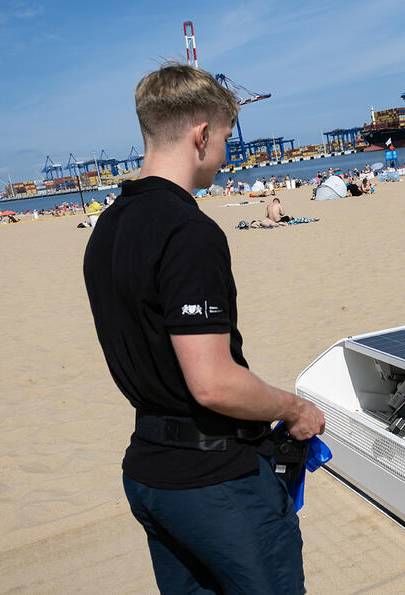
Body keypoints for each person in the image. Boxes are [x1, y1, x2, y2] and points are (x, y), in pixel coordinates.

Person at [82, 63, 324, 593]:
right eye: (226, 137)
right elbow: (212, 382)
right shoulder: (187, 230)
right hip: (213, 480)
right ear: (201, 133)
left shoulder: (109, 225)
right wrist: (294, 408)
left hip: (150, 468)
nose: (226, 151)